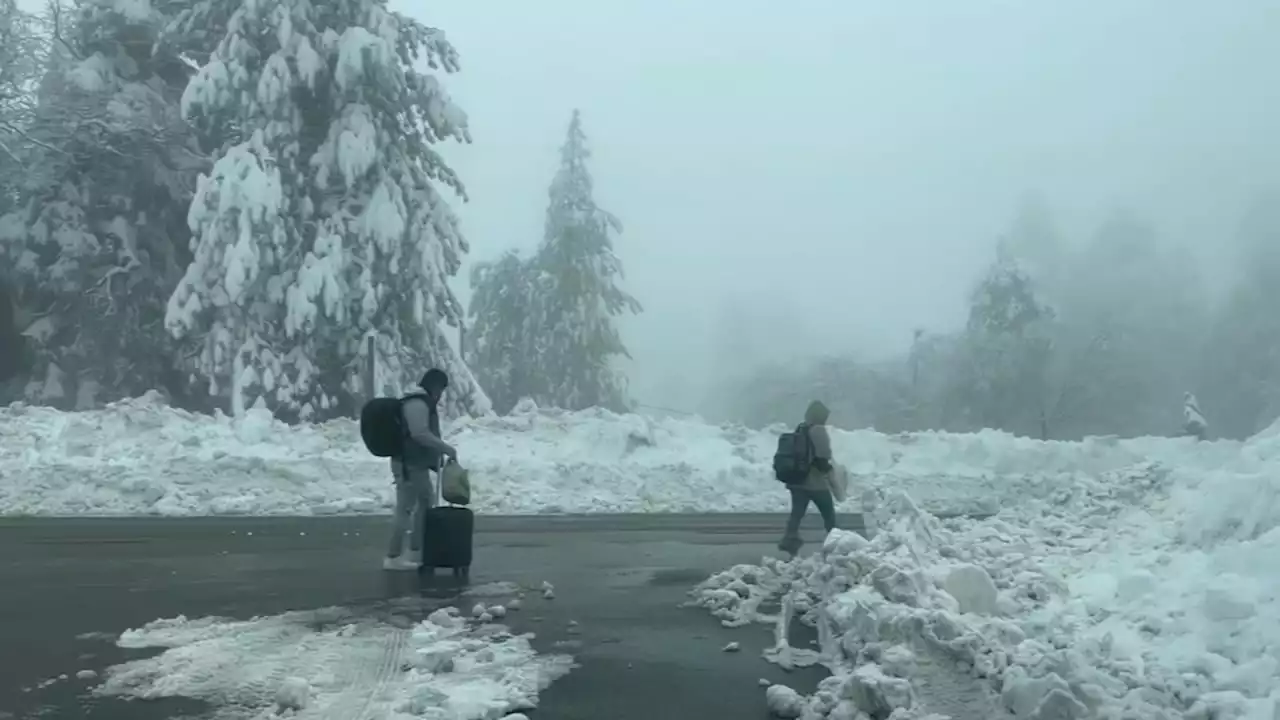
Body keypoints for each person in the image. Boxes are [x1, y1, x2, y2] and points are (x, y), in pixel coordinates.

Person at [384, 368, 458, 570]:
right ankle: (394, 556)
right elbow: (419, 434)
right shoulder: (416, 403)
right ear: (434, 386)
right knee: (405, 508)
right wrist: (445, 448)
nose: (441, 395)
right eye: (441, 389)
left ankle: (416, 550)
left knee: (425, 501)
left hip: (416, 463)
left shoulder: (420, 401)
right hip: (409, 464)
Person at [778, 400, 838, 556]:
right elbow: (823, 456)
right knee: (829, 515)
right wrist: (831, 474)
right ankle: (836, 544)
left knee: (797, 513)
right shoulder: (819, 430)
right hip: (815, 483)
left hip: (797, 482)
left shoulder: (801, 427)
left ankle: (789, 541)